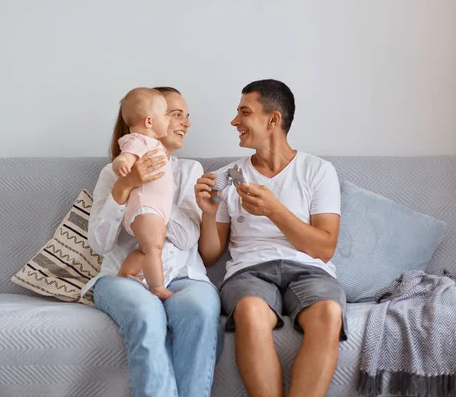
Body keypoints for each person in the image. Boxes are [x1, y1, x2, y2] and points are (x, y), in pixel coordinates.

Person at [196, 79, 347, 397]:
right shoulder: (230, 176)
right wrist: (208, 213)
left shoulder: (317, 171)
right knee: (250, 312)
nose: (235, 121)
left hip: (310, 270)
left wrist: (274, 210)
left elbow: (324, 248)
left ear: (273, 119)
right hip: (249, 272)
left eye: (244, 112)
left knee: (329, 313)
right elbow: (210, 255)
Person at [84, 87, 222, 397]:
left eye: (187, 116)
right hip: (123, 277)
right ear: (151, 120)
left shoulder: (189, 171)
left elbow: (187, 237)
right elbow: (99, 243)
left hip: (184, 277)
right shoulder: (113, 173)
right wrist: (126, 187)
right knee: (146, 315)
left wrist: (155, 193)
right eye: (176, 114)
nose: (185, 123)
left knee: (199, 311)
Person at [112, 87, 174, 300]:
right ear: (149, 121)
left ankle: (126, 273)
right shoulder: (139, 140)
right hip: (145, 208)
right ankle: (157, 288)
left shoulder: (153, 144)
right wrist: (122, 162)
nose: (169, 119)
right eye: (166, 114)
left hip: (152, 210)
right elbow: (127, 155)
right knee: (154, 248)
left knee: (147, 249)